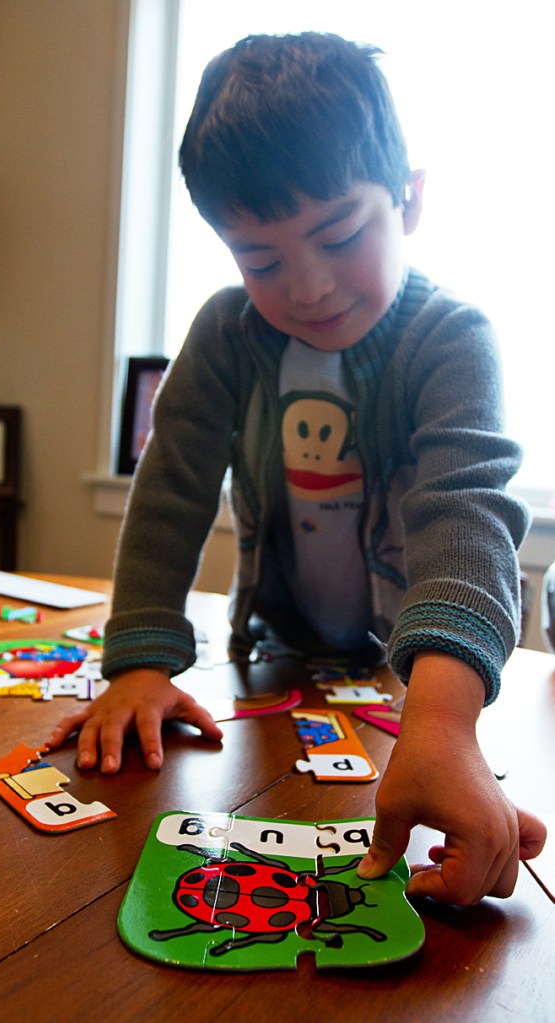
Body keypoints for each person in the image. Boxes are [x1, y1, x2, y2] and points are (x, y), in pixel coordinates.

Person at [47, 32, 546, 904]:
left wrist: (441, 723)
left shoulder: (452, 338)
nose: (307, 287)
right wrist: (136, 661)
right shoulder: (225, 333)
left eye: (340, 235)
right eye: (260, 260)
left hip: (412, 677)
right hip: (278, 658)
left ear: (410, 199)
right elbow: (171, 488)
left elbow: (464, 514)